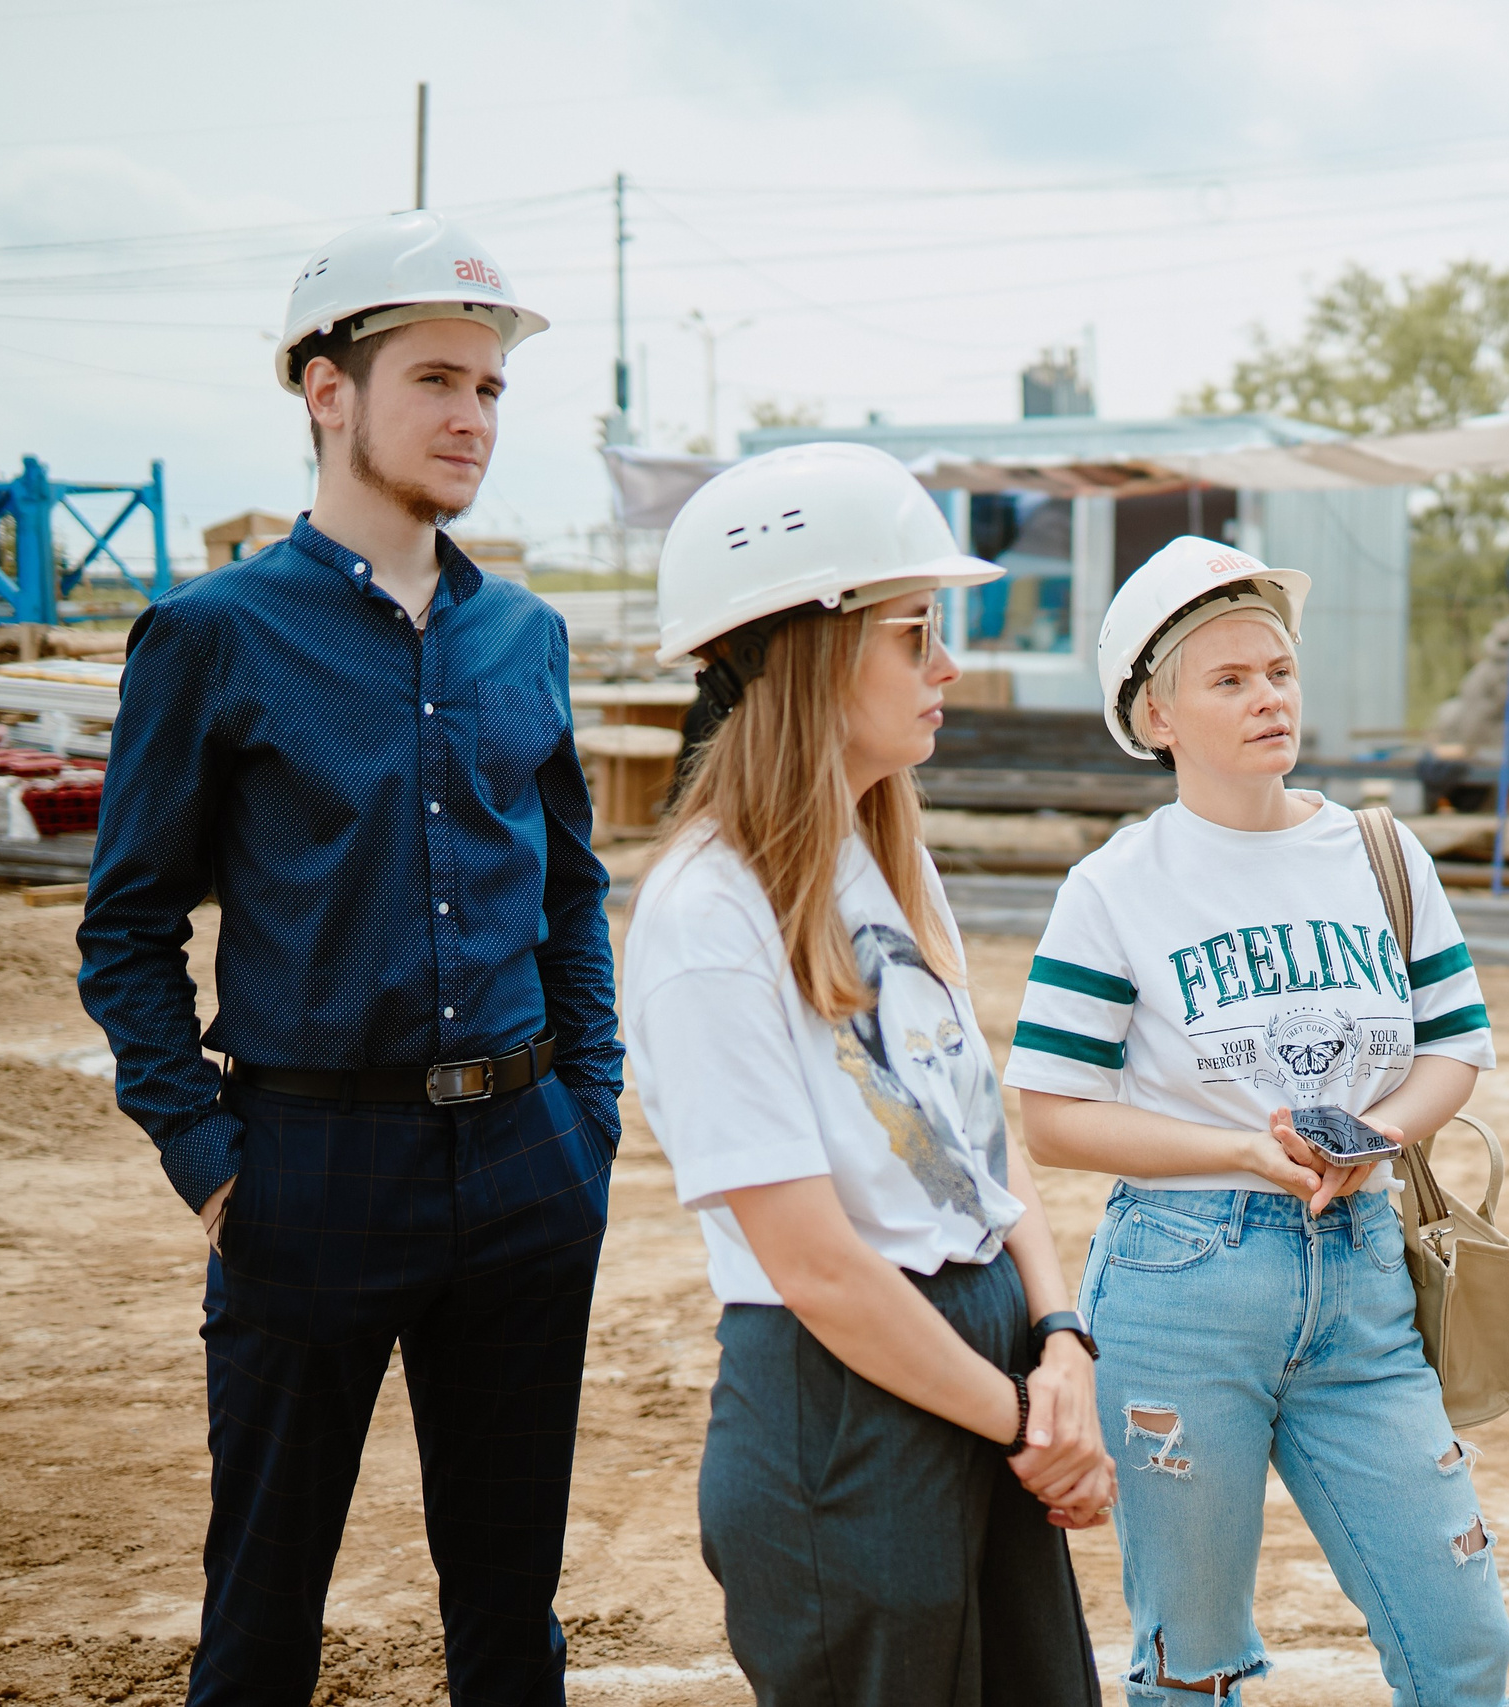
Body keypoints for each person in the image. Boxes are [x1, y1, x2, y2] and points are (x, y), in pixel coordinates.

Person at [78, 210, 623, 1705]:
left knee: (512, 1620)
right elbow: (126, 925)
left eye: (493, 388)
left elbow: (574, 893)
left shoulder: (528, 636)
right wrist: (210, 1155)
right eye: (439, 378)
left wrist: (588, 1115)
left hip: (526, 1159)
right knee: (262, 1619)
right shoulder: (212, 632)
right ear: (328, 389)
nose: (472, 417)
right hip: (307, 1165)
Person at [623, 443, 1113, 1706]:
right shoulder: (705, 916)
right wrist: (1023, 1424)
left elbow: (975, 1156)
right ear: (809, 649)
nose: (947, 665)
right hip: (847, 1408)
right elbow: (819, 1266)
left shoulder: (882, 850)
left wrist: (1060, 1342)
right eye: (916, 632)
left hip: (983, 1355)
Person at [1007, 536, 1509, 1706]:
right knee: (1192, 1666)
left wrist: (1374, 1139)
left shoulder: (1379, 852)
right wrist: (1241, 1151)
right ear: (1156, 713)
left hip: (1362, 1276)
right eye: (1228, 680)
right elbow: (1052, 1117)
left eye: (1277, 670)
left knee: (1461, 1640)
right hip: (1181, 1283)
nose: (1267, 697)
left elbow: (1455, 1049)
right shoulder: (1116, 884)